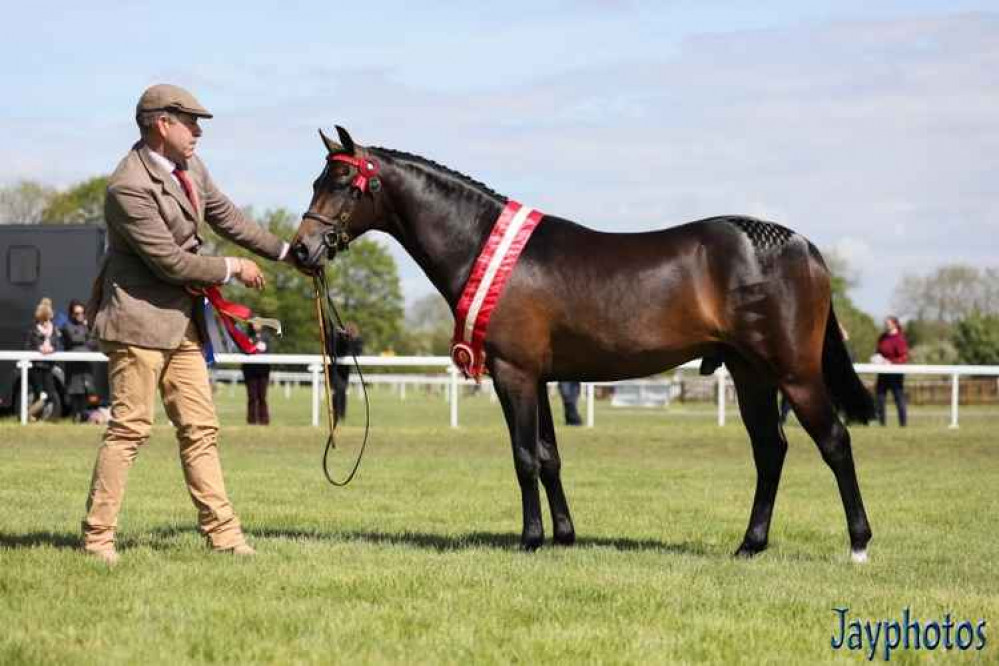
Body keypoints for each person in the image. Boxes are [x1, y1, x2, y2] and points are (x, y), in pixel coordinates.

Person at [80, 83, 305, 565]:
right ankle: (99, 540)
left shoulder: (191, 167)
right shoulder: (128, 187)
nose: (199, 131)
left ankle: (224, 536)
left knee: (202, 429)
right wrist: (233, 268)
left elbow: (228, 217)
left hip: (182, 324)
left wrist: (289, 253)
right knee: (131, 430)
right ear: (163, 124)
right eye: (190, 121)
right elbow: (170, 262)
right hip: (137, 324)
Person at [25, 297, 62, 419]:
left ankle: (29, 414)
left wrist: (52, 348)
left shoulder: (54, 329)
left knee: (50, 394)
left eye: (47, 319)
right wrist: (39, 348)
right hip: (36, 366)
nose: (45, 323)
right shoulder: (33, 329)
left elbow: (57, 343)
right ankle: (31, 416)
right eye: (43, 320)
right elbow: (28, 345)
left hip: (48, 366)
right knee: (38, 393)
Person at [61, 299, 98, 422]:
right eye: (77, 313)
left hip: (86, 364)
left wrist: (85, 333)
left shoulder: (87, 326)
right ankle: (74, 416)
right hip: (73, 365)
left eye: (82, 313)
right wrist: (85, 338)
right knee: (74, 391)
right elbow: (73, 338)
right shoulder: (66, 326)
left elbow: (93, 342)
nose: (80, 316)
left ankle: (83, 415)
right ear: (71, 314)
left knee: (85, 390)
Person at [873, 315, 908, 427]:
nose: (886, 325)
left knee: (899, 398)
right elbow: (878, 351)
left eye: (888, 323)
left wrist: (891, 362)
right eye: (885, 323)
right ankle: (881, 423)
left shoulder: (899, 338)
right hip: (882, 372)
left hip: (895, 373)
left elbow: (903, 357)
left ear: (894, 324)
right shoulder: (882, 337)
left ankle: (903, 424)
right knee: (880, 398)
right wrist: (877, 358)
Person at [331, 322, 363, 421]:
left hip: (344, 368)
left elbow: (357, 352)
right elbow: (336, 349)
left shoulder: (357, 340)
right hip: (335, 367)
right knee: (338, 390)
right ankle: (337, 414)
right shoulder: (337, 339)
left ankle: (341, 414)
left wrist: (349, 339)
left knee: (342, 390)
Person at [242, 322, 272, 425]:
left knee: (262, 396)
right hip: (250, 370)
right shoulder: (247, 336)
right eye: (254, 323)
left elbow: (270, 351)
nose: (256, 325)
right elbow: (244, 350)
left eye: (258, 323)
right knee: (252, 396)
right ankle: (251, 420)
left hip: (263, 370)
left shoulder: (267, 337)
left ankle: (264, 420)